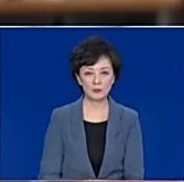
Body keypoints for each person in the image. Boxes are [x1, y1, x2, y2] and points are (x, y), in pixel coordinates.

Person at [39, 35, 144, 180]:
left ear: (114, 77)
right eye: (89, 73)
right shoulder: (60, 118)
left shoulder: (129, 120)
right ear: (78, 78)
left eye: (104, 73)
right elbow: (48, 177)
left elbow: (135, 178)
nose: (97, 81)